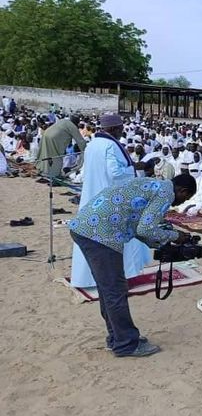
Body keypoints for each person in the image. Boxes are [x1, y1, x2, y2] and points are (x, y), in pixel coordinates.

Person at [68, 174, 197, 357]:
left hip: (85, 228)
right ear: (183, 191)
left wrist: (161, 243)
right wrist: (176, 237)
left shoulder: (151, 184)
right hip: (100, 236)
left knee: (108, 289)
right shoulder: (165, 194)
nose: (180, 203)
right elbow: (145, 229)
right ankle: (126, 344)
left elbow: (138, 226)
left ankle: (117, 337)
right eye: (186, 198)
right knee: (115, 290)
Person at [70, 113, 151, 288]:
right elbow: (116, 174)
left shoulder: (93, 144)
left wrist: (135, 167)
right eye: (121, 129)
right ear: (114, 129)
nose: (122, 132)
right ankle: (123, 276)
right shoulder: (110, 146)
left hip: (93, 197)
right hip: (110, 202)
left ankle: (88, 279)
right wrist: (134, 169)